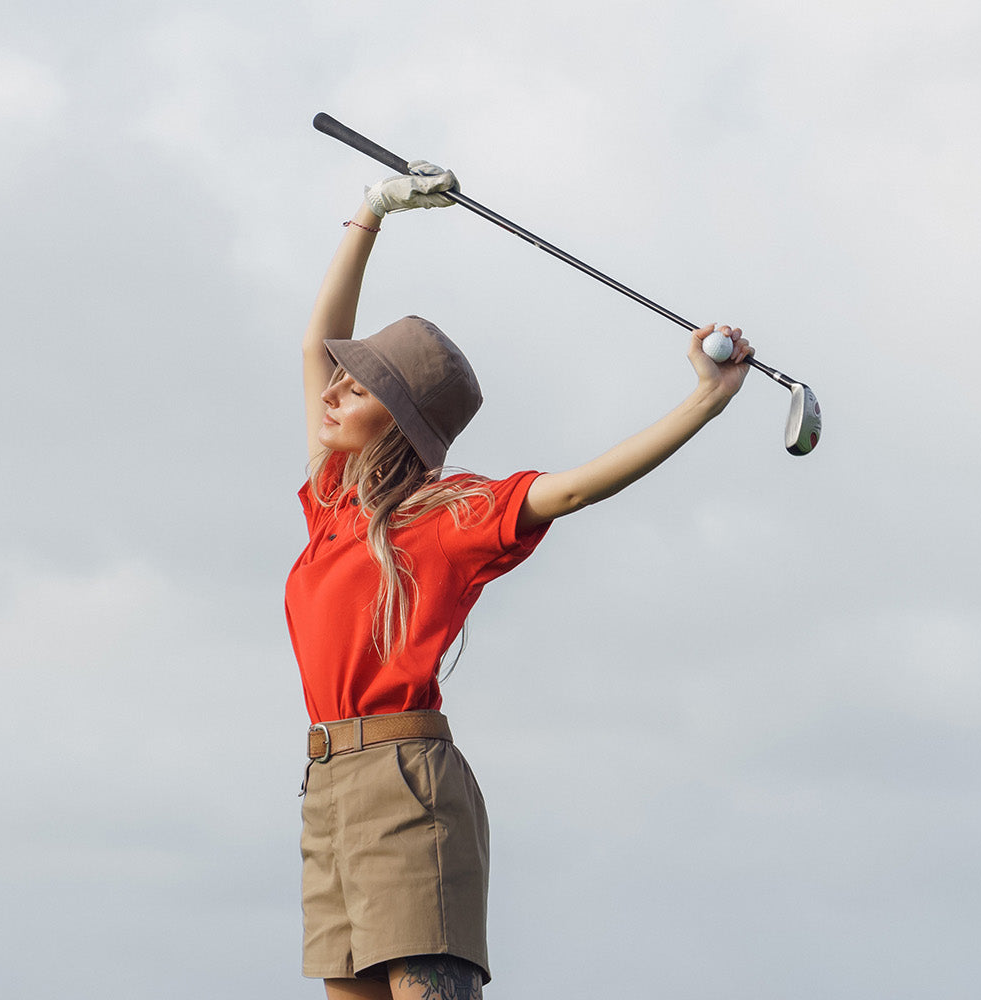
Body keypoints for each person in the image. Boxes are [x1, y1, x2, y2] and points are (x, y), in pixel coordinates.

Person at [286, 160, 752, 1000]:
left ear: (400, 424)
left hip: (404, 782)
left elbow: (573, 488)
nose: (336, 388)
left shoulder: (450, 515)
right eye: (344, 376)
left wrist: (706, 401)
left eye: (361, 388)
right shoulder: (332, 503)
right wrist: (370, 214)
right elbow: (317, 342)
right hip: (326, 787)